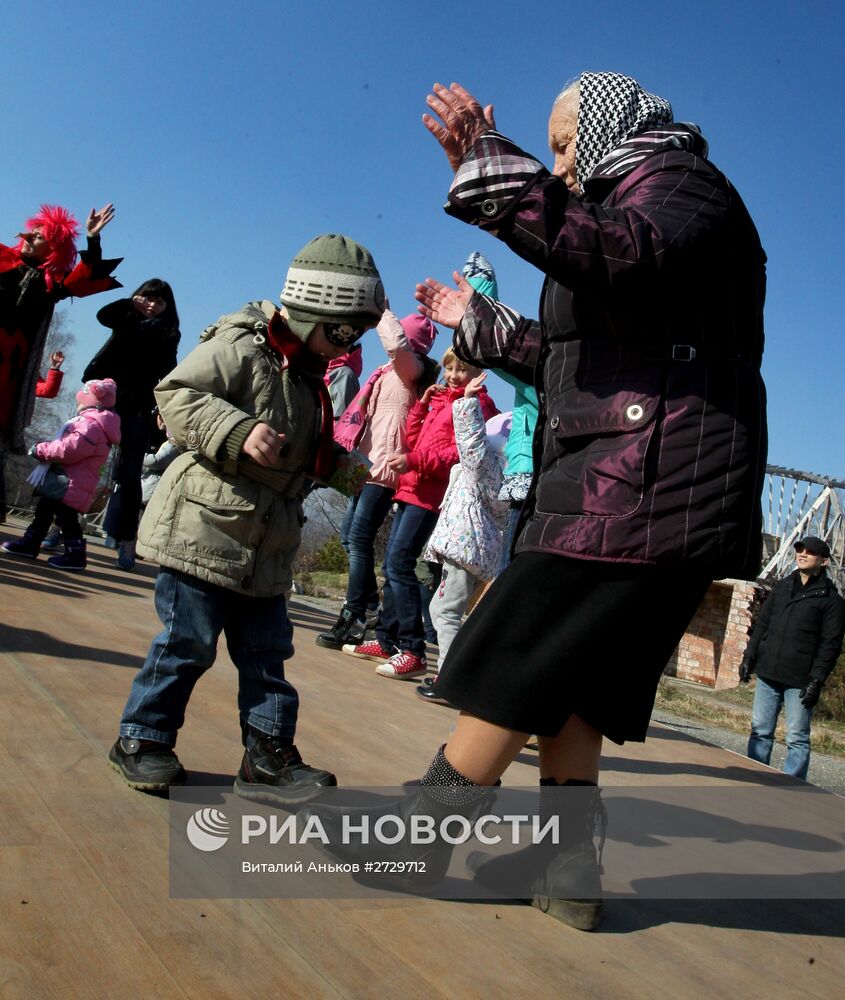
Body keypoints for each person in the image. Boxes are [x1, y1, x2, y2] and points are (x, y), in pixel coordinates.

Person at [307, 73, 768, 931]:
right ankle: (566, 869)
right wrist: (473, 320)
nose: (555, 164)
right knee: (573, 675)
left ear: (604, 127)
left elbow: (619, 251)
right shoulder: (631, 200)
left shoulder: (680, 188)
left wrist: (495, 168)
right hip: (630, 473)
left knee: (517, 650)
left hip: (643, 479)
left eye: (561, 144)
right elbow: (566, 341)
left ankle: (420, 836)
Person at [108, 234, 385, 802]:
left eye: (354, 338)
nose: (345, 348)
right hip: (204, 528)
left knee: (267, 655)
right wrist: (234, 431)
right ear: (312, 310)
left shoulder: (310, 378)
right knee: (187, 641)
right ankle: (142, 737)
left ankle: (267, 754)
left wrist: (349, 470)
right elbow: (176, 395)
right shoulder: (240, 345)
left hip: (269, 542)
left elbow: (308, 452)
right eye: (341, 333)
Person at [342, 346, 497, 679]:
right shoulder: (441, 399)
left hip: (431, 493)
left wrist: (414, 462)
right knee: (392, 563)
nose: (454, 375)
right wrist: (423, 404)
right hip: (412, 487)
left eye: (462, 370)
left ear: (478, 373)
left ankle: (412, 649)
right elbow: (415, 439)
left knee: (400, 563)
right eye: (450, 368)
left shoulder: (476, 404)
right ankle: (386, 639)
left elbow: (456, 454)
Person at [315, 309, 439, 650]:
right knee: (350, 536)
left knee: (358, 538)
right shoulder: (386, 374)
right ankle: (368, 608)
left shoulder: (410, 370)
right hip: (364, 466)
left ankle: (355, 612)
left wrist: (381, 312)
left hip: (384, 472)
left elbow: (397, 347)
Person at [0, 203, 119, 522]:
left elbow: (87, 278)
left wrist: (92, 239)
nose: (28, 237)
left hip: (8, 373)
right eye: (30, 232)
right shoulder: (1, 259)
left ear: (53, 249)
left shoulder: (50, 282)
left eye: (39, 237)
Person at [417, 379, 510, 700]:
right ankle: (455, 672)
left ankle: (450, 675)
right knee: (445, 609)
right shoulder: (507, 474)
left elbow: (470, 442)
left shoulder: (485, 463)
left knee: (445, 612)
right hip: (474, 550)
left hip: (463, 547)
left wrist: (467, 401)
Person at [83, 279, 181, 570]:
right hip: (103, 401)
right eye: (147, 298)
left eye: (159, 301)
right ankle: (56, 528)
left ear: (167, 307)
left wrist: (165, 407)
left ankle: (127, 542)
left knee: (128, 475)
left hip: (136, 407)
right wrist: (129, 304)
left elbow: (169, 371)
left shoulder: (167, 333)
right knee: (81, 459)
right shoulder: (125, 318)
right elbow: (103, 315)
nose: (152, 305)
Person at [740, 536, 845, 780]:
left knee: (796, 738)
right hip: (768, 673)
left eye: (810, 551)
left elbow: (830, 646)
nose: (802, 553)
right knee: (760, 732)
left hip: (800, 681)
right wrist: (749, 658)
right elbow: (763, 624)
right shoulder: (783, 587)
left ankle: (792, 789)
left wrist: (816, 681)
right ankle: (753, 781)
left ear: (824, 561)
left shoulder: (831, 601)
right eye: (800, 549)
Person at [2, 379, 120, 570]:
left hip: (69, 483)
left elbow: (69, 450)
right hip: (65, 481)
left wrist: (41, 449)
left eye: (81, 400)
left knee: (66, 518)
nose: (78, 404)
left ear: (93, 402)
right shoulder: (95, 425)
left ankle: (75, 555)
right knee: (45, 511)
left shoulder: (90, 426)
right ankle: (30, 543)